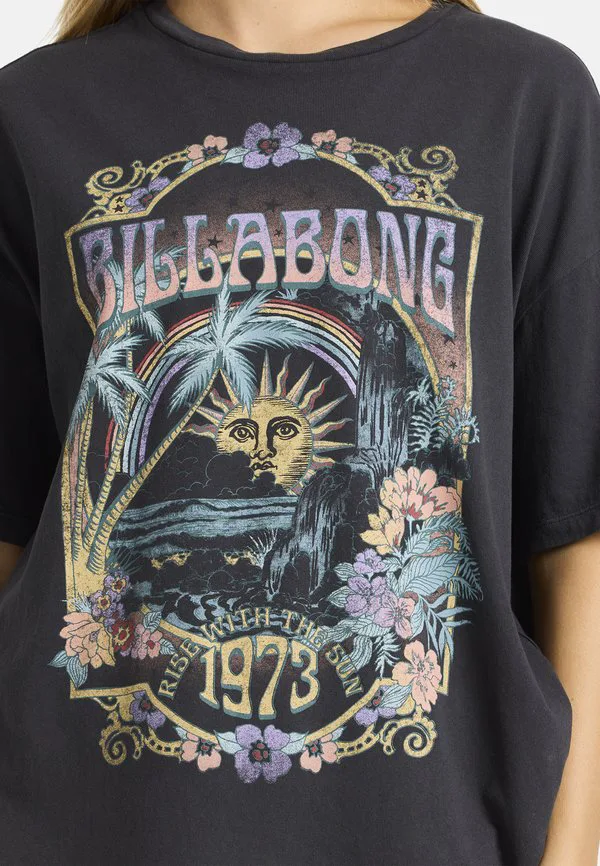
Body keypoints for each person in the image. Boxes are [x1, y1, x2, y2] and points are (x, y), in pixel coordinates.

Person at [0, 0, 599, 863]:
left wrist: (573, 850)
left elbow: (575, 530)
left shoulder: (524, 98)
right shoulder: (34, 113)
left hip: (430, 832)